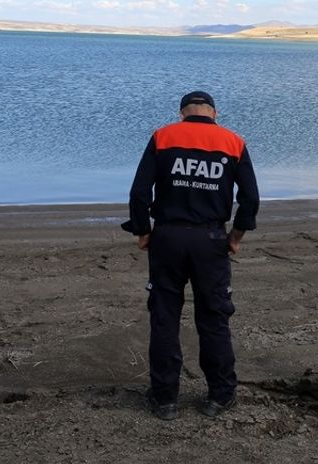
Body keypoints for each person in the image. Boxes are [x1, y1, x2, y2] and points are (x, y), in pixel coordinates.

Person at [122, 90, 260, 421]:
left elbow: (140, 192)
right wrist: (236, 237)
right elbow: (251, 200)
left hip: (167, 238)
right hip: (210, 239)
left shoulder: (163, 136)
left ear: (182, 113)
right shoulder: (233, 141)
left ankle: (165, 399)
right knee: (213, 318)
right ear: (215, 112)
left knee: (165, 317)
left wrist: (143, 231)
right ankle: (220, 396)